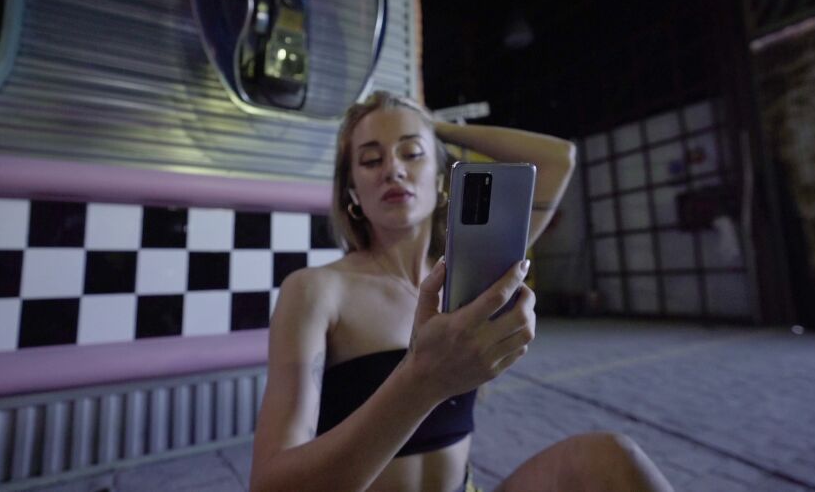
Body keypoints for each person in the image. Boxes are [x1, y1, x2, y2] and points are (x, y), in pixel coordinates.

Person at [250, 91, 673, 492]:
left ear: (441, 181)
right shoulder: (315, 291)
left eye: (412, 153)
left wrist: (435, 127)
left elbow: (559, 159)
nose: (393, 169)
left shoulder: (472, 273)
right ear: (352, 194)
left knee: (613, 457)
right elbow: (270, 485)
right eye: (371, 159)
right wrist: (421, 382)